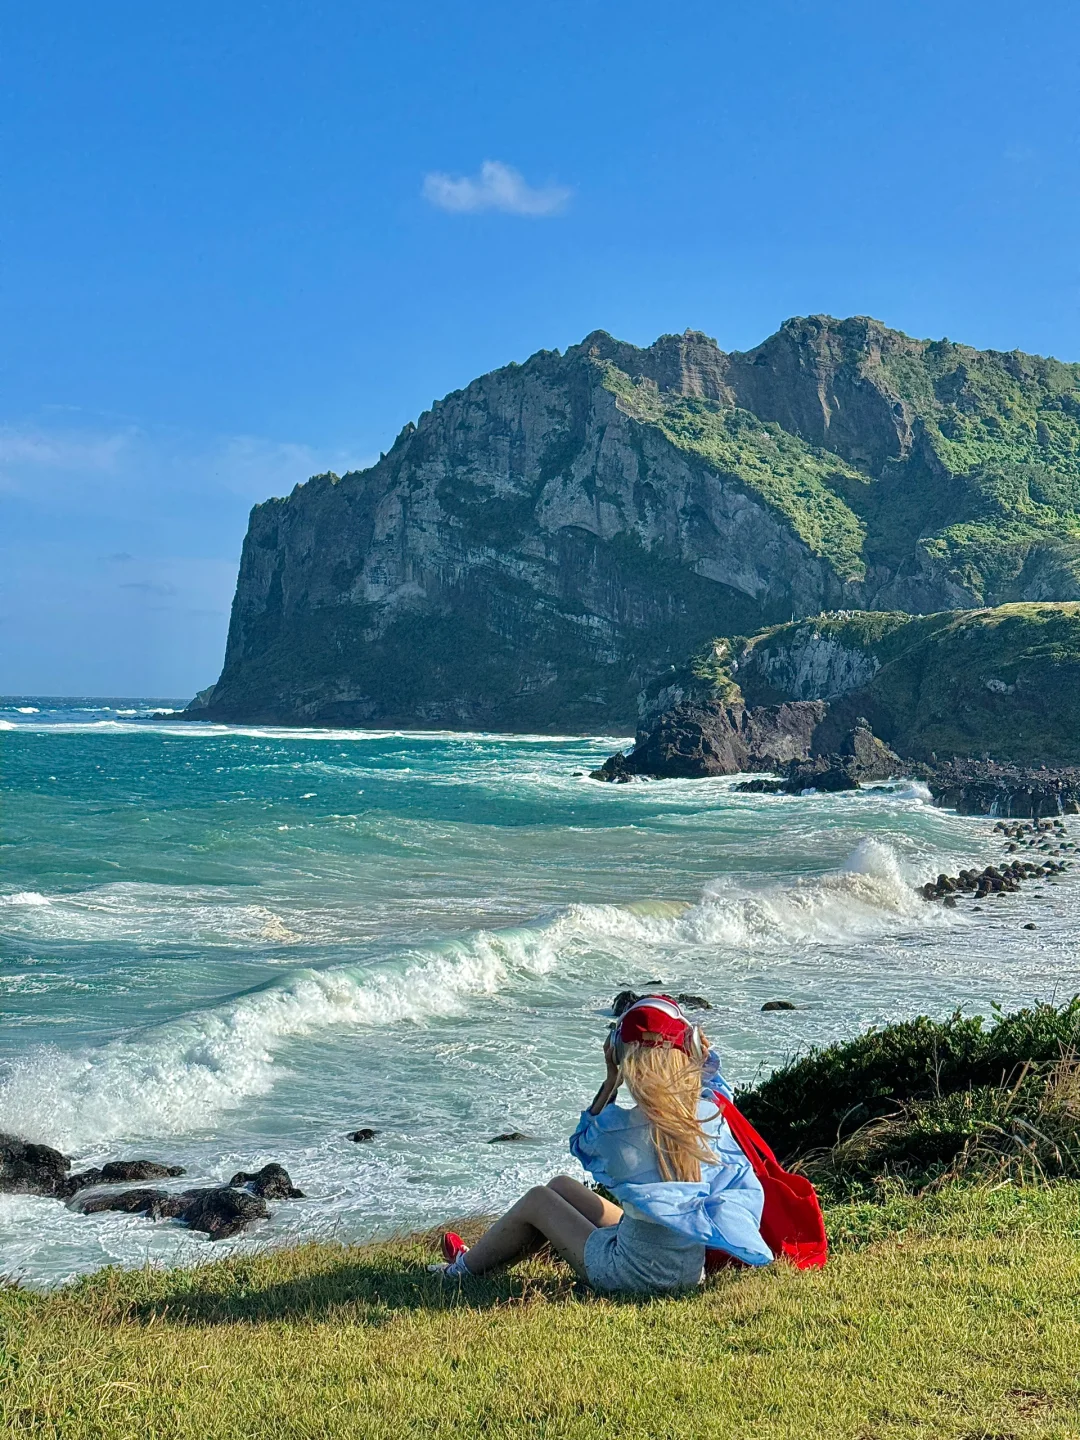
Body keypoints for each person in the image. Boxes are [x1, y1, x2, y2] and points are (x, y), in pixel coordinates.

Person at [428, 995, 773, 1294]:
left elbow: (581, 1143)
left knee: (538, 1200)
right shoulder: (707, 1116)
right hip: (685, 1272)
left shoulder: (620, 1133)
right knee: (561, 1186)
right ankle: (488, 1255)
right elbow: (713, 1080)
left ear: (626, 1061)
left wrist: (611, 1080)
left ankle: (460, 1271)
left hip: (629, 1275)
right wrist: (695, 1049)